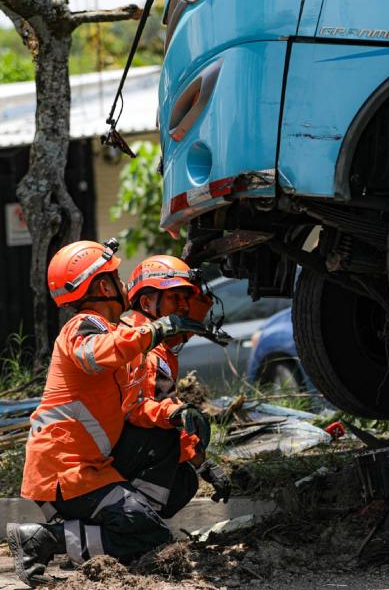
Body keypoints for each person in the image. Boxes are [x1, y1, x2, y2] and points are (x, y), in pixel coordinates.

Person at [5, 239, 206, 588]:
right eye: (116, 276)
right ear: (102, 285)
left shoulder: (113, 335)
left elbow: (136, 408)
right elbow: (94, 355)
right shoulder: (82, 326)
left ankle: (117, 523)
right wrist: (156, 329)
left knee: (165, 459)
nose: (123, 283)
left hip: (88, 471)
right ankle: (45, 540)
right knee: (150, 538)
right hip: (65, 474)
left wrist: (176, 414)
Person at [116, 255, 231, 518]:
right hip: (95, 464)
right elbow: (154, 413)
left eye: (185, 299)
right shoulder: (149, 349)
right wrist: (203, 464)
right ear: (146, 302)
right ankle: (137, 519)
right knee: (180, 439)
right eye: (173, 298)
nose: (183, 307)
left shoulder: (131, 334)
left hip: (90, 460)